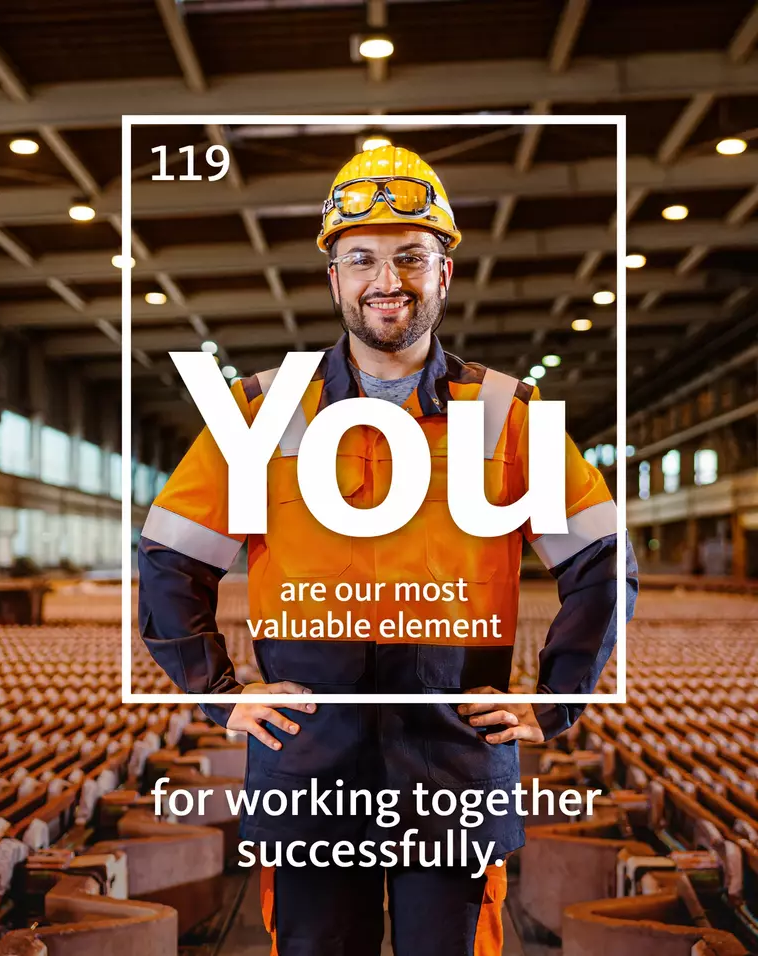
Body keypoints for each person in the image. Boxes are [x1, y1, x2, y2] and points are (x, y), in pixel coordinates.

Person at [138, 145, 638, 955]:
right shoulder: (262, 409)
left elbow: (601, 559)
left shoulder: (505, 412)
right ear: (334, 276)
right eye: (361, 257)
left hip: (453, 759)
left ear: (444, 272)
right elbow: (169, 555)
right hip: (311, 763)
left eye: (411, 256)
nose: (387, 280)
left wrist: (556, 699)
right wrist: (220, 694)